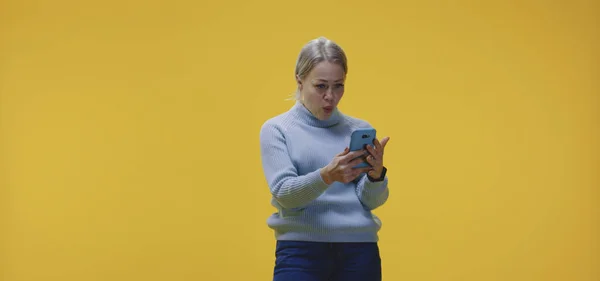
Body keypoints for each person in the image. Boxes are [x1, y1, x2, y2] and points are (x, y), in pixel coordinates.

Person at [259, 36, 391, 281]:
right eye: (321, 86)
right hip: (301, 252)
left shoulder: (358, 129)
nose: (330, 95)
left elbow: (372, 202)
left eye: (338, 85)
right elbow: (284, 195)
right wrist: (326, 176)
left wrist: (375, 176)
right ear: (300, 81)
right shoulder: (277, 129)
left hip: (359, 250)